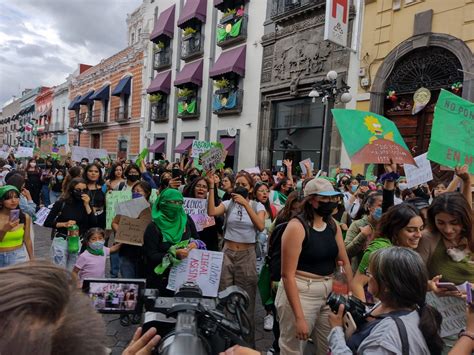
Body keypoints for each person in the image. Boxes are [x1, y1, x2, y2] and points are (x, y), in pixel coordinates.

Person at [275, 178, 352, 355]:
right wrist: (299, 317)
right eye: (325, 199)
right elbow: (287, 275)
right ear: (311, 200)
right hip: (301, 292)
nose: (330, 203)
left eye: (332, 198)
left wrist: (349, 292)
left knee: (329, 346)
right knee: (293, 349)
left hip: (329, 292)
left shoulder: (332, 225)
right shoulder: (297, 227)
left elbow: (345, 261)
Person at [328, 247, 443, 355]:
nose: (368, 277)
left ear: (387, 285)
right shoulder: (405, 307)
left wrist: (336, 331)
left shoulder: (384, 338)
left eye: (370, 273)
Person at [207, 171, 265, 346]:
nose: (240, 187)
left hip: (247, 256)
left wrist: (246, 204)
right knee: (225, 299)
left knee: (246, 301)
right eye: (238, 184)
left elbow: (261, 226)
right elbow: (211, 211)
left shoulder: (257, 206)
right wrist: (211, 187)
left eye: (244, 185)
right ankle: (227, 342)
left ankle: (247, 345)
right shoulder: (228, 204)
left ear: (250, 189)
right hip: (227, 254)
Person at [351, 203, 424, 301]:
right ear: (395, 229)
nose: (419, 235)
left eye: (421, 229)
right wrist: (364, 313)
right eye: (411, 230)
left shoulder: (406, 245)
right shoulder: (378, 250)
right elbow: (357, 284)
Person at [143, 188, 199, 295]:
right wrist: (174, 254)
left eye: (179, 202)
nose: (176, 205)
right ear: (163, 202)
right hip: (159, 280)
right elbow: (151, 255)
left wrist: (195, 244)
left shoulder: (186, 220)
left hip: (184, 279)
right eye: (172, 202)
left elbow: (197, 238)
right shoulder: (153, 227)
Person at [418, 191, 473, 285]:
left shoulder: (471, 234)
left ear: (465, 219)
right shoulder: (427, 239)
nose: (448, 230)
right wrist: (430, 286)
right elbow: (416, 278)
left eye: (454, 223)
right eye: (440, 223)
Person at [44, 177, 97, 271]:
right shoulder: (61, 203)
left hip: (77, 241)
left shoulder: (85, 203)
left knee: (73, 271)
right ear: (72, 190)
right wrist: (64, 224)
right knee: (59, 271)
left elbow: (93, 223)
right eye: (78, 190)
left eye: (84, 190)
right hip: (62, 240)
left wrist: (87, 205)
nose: (81, 192)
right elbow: (47, 222)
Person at [344, 192, 382, 272]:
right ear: (369, 207)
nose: (383, 209)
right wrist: (362, 235)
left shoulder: (389, 227)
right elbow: (347, 252)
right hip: (360, 273)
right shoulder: (357, 225)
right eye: (380, 206)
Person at [183, 177, 221, 251]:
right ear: (193, 188)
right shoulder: (184, 205)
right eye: (198, 186)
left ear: (208, 191)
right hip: (188, 245)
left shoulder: (213, 206)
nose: (201, 189)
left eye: (204, 187)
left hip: (209, 244)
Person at [0, 185, 33, 267]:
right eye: (8, 198)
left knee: (17, 280)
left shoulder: (24, 217)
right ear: (1, 201)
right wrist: (4, 230)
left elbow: (27, 240)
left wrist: (32, 259)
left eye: (16, 197)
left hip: (18, 256)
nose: (13, 201)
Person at [83, 163, 106, 228]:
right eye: (90, 171)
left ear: (99, 174)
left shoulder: (104, 186)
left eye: (96, 171)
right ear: (86, 173)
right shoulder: (81, 186)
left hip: (100, 219)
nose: (93, 173)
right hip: (84, 218)